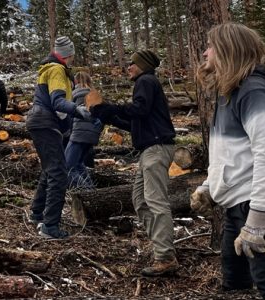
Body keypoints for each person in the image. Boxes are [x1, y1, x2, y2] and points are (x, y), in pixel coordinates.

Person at [188, 23, 265, 299]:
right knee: (235, 282)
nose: (206, 52)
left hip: (264, 204)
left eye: (211, 46)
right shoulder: (230, 91)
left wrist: (257, 221)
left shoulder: (253, 92)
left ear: (228, 50)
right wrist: (208, 187)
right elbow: (230, 154)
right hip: (238, 205)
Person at [90, 50, 177, 276]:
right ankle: (161, 247)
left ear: (143, 66)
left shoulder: (146, 80)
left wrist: (108, 107)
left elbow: (139, 110)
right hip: (150, 150)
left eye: (132, 63)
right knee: (140, 200)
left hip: (156, 150)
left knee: (156, 202)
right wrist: (105, 113)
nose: (128, 67)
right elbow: (136, 122)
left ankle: (165, 257)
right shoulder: (147, 83)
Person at [26, 36, 91, 239]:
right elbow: (57, 102)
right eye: (71, 54)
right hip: (45, 123)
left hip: (41, 122)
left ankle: (37, 213)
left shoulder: (50, 68)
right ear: (68, 54)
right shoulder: (56, 69)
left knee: (50, 169)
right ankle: (50, 226)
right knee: (59, 173)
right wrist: (79, 110)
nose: (72, 58)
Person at [64, 72, 103, 189]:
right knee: (79, 164)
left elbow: (70, 114)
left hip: (79, 133)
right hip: (92, 134)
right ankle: (93, 192)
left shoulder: (75, 93)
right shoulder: (95, 94)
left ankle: (88, 193)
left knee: (68, 167)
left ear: (75, 82)